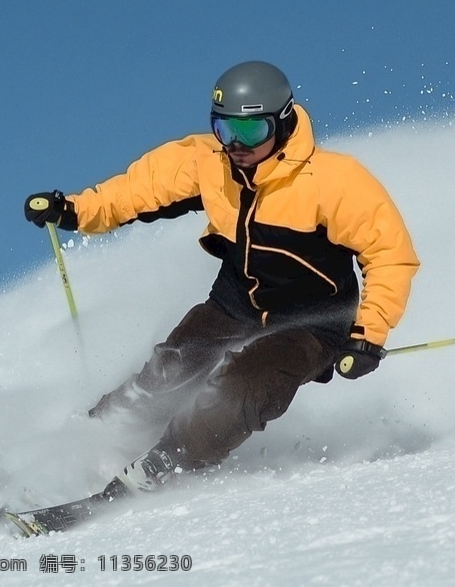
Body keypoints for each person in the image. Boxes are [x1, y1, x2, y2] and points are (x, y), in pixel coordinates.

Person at [24, 61, 419, 498]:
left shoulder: (335, 181)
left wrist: (368, 335)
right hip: (235, 305)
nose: (235, 145)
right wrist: (76, 211)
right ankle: (84, 443)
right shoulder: (209, 162)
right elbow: (138, 190)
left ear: (282, 122)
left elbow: (391, 255)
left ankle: (167, 462)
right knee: (169, 371)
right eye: (224, 129)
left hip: (314, 321)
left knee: (243, 385)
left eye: (249, 133)